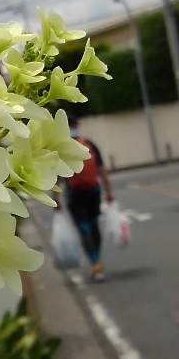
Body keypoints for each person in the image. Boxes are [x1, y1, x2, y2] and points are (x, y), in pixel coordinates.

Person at [63, 114, 114, 282]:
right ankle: (98, 260)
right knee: (93, 225)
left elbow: (56, 175)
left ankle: (94, 262)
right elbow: (101, 170)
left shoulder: (62, 147)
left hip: (74, 193)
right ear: (78, 124)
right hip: (93, 191)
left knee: (83, 227)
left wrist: (54, 199)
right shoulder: (89, 144)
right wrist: (108, 192)